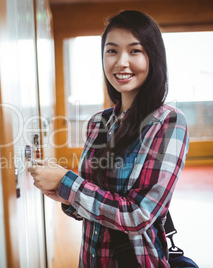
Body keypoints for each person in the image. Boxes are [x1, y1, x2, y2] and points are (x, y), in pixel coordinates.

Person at [28, 10, 189, 268]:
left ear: (154, 57)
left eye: (135, 51)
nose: (120, 62)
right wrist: (66, 196)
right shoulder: (98, 123)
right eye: (112, 51)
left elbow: (140, 215)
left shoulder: (169, 122)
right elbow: (95, 201)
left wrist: (66, 182)